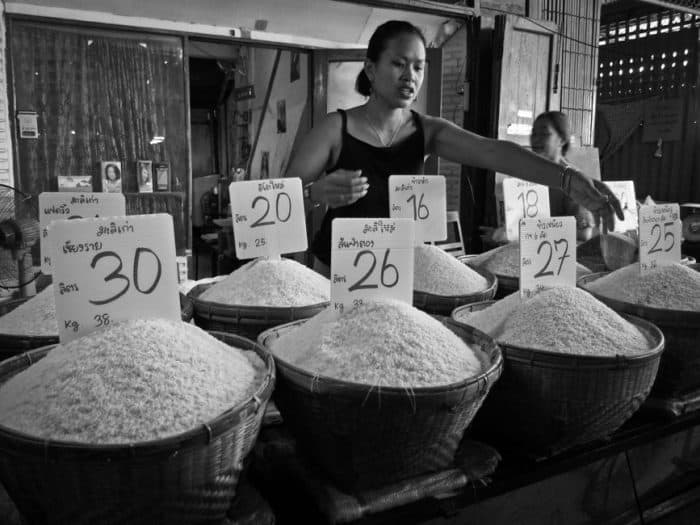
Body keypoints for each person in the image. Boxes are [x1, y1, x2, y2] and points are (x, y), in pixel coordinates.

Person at [285, 20, 623, 276]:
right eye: (399, 64)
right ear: (371, 69)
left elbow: (494, 151)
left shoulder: (427, 131)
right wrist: (314, 193)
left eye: (418, 67)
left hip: (397, 274)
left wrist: (567, 176)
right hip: (334, 270)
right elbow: (279, 197)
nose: (410, 76)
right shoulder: (334, 128)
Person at [530, 111, 595, 241]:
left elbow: (584, 233)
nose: (536, 139)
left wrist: (525, 234)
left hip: (559, 256)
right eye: (534, 133)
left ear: (562, 140)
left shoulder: (572, 179)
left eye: (544, 134)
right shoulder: (528, 173)